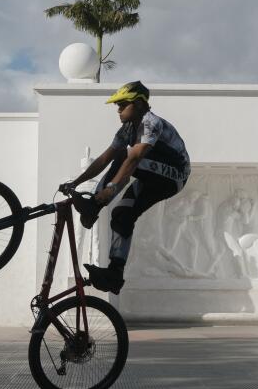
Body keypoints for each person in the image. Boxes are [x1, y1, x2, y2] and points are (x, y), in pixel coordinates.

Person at [60, 81, 191, 294]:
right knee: (122, 214)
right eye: (117, 106)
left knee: (125, 156)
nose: (118, 110)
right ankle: (115, 274)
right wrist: (76, 182)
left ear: (138, 104)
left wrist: (109, 190)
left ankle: (94, 206)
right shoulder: (127, 129)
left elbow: (134, 158)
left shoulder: (150, 123)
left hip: (175, 175)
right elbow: (104, 159)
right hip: (152, 176)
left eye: (122, 105)